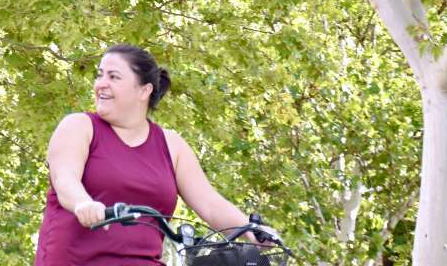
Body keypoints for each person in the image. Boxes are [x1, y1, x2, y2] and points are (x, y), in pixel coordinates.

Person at [35, 44, 271, 265]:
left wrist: (252, 230)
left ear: (144, 90)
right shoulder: (80, 126)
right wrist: (83, 203)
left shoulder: (172, 145)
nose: (101, 84)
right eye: (100, 75)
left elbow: (209, 204)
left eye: (113, 76)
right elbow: (65, 179)